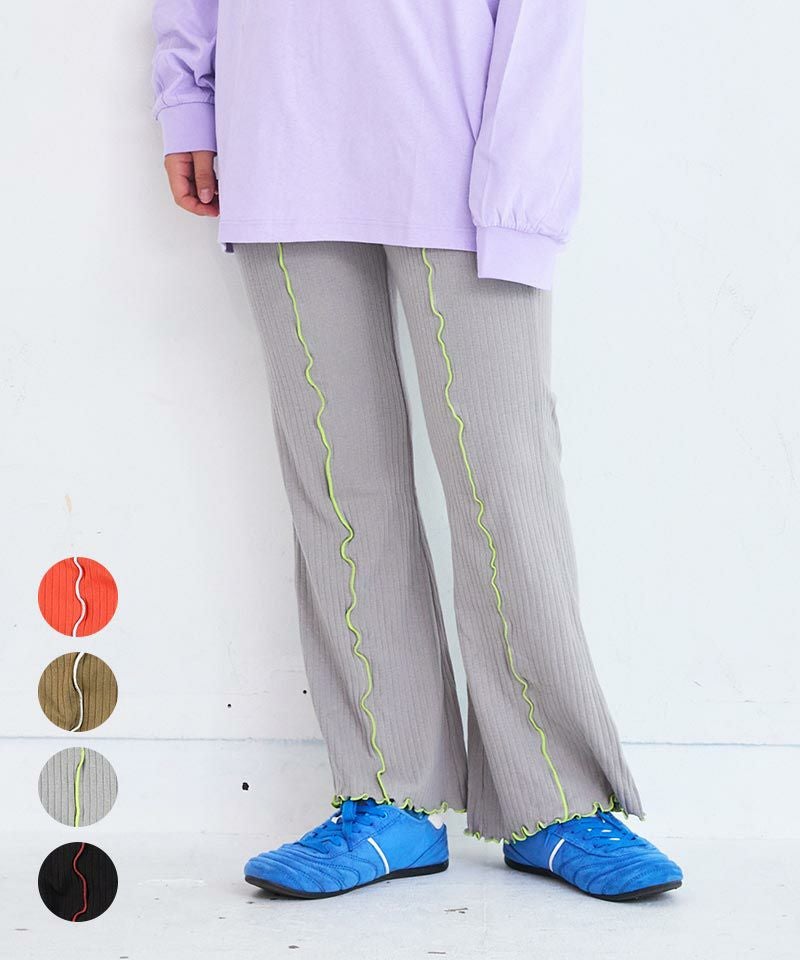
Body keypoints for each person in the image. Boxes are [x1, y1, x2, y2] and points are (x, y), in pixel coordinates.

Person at [150, 0, 684, 902]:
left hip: (460, 141)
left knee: (503, 479)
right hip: (275, 132)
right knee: (339, 485)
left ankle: (557, 796)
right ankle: (388, 793)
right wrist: (187, 98)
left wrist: (522, 182)